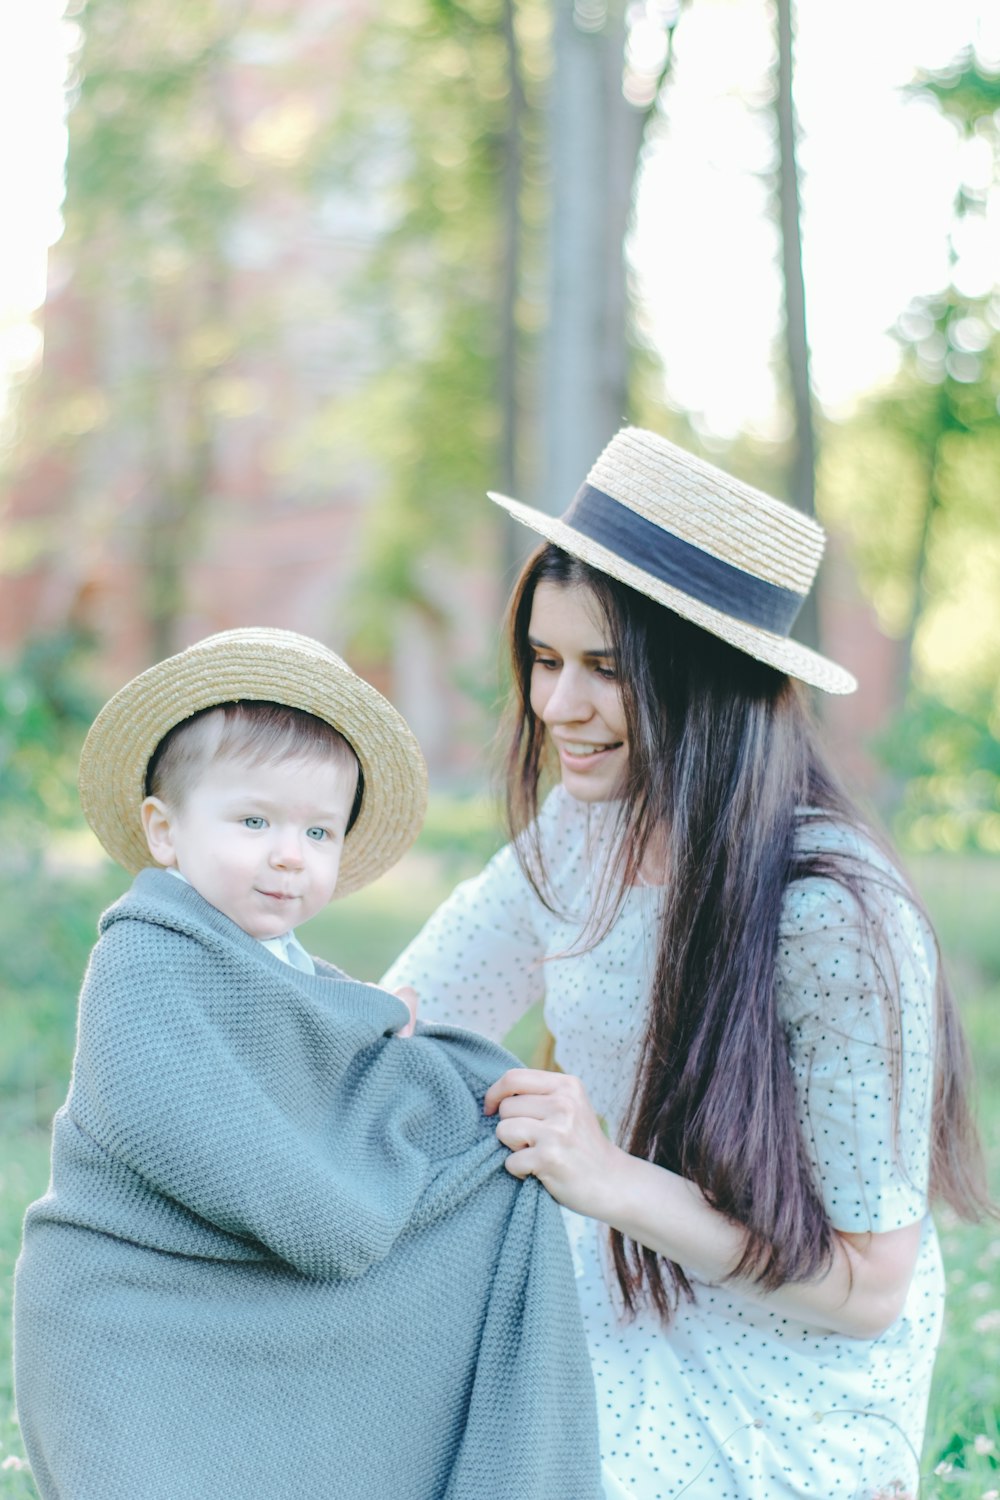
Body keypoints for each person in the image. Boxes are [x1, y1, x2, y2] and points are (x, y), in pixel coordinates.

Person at [382, 427, 989, 1500]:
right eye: (544, 658)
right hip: (614, 1273)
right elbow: (410, 1011)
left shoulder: (834, 917)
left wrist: (607, 1178)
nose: (556, 706)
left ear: (710, 682)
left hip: (788, 1365)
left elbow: (865, 1288)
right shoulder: (584, 830)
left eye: (605, 671)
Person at [13, 627, 603, 1500]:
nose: (290, 854)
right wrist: (344, 1193)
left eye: (319, 831)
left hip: (246, 1298)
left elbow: (334, 1094)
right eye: (254, 821)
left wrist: (434, 1090)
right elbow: (205, 1132)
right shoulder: (145, 963)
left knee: (487, 1153)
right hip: (130, 1309)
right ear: (164, 832)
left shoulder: (294, 977)